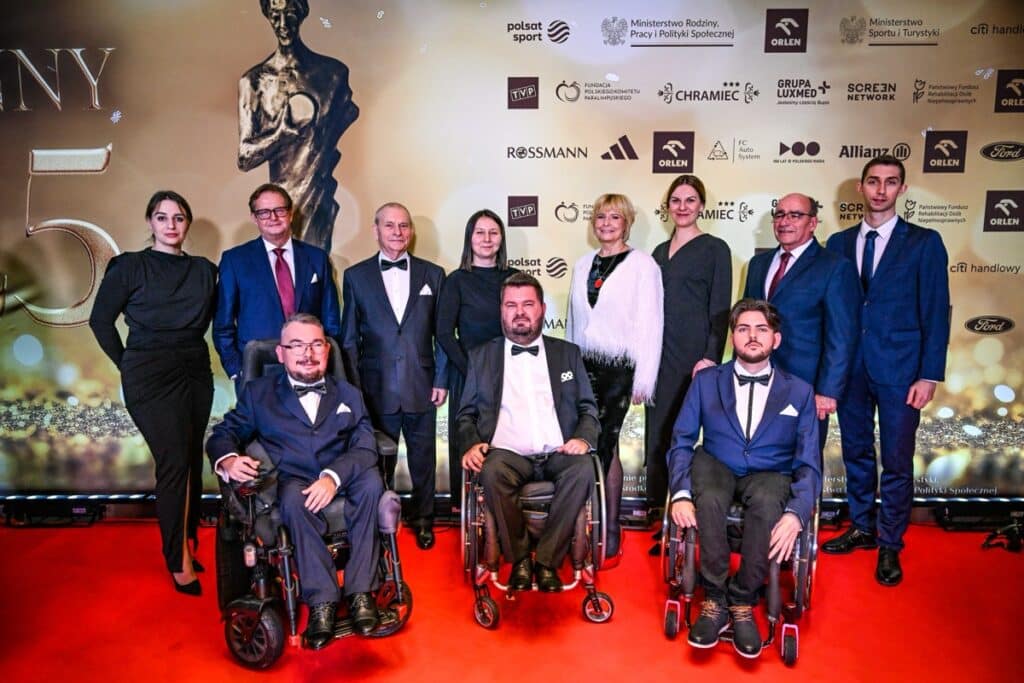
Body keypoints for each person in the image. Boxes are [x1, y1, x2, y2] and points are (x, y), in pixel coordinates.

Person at [206, 313, 383, 649]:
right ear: (281, 353)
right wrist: (228, 459)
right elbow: (223, 433)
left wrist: (332, 478)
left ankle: (361, 592)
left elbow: (365, 446)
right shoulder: (259, 394)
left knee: (372, 484)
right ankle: (322, 602)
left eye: (316, 344)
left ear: (327, 350)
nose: (308, 353)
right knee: (292, 499)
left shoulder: (349, 393)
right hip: (295, 477)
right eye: (297, 345)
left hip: (343, 473)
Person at [822, 155, 950, 586]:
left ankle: (891, 543)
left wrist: (929, 375)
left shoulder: (924, 242)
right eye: (873, 181)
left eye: (890, 182)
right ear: (860, 187)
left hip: (902, 371)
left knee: (896, 460)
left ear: (902, 189)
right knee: (856, 451)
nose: (881, 190)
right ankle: (862, 526)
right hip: (851, 371)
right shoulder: (838, 243)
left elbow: (936, 311)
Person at [667, 299, 820, 659]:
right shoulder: (706, 382)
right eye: (743, 329)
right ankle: (715, 597)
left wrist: (797, 513)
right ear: (733, 337)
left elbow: (810, 462)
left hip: (771, 472)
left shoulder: (799, 391)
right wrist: (681, 493)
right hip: (717, 463)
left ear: (775, 339)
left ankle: (742, 600)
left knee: (767, 503)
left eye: (761, 329)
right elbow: (682, 441)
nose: (752, 336)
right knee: (709, 495)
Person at [89, 190, 217, 596]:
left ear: (187, 223)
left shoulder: (204, 270)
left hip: (195, 369)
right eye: (162, 217)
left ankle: (188, 542)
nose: (171, 225)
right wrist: (126, 363)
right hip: (149, 372)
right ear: (150, 222)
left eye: (179, 217)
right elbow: (100, 321)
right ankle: (177, 560)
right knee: (174, 461)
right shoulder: (130, 266)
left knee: (191, 458)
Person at [458, 272, 600, 592]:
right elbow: (466, 414)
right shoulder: (481, 357)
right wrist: (471, 444)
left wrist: (582, 438)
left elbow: (588, 409)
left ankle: (547, 561)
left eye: (528, 304)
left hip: (558, 452)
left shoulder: (568, 353)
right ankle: (520, 559)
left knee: (583, 469)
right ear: (501, 311)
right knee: (491, 471)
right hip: (507, 454)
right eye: (511, 305)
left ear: (542, 309)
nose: (519, 312)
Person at [340, 202, 447, 550]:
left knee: (423, 459)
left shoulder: (434, 274)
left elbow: (443, 335)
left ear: (411, 231)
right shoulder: (356, 276)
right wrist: (354, 390)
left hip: (422, 384)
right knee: (377, 462)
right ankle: (380, 524)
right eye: (389, 225)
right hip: (375, 388)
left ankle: (424, 520)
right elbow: (349, 340)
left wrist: (441, 378)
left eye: (404, 226)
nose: (397, 232)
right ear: (376, 230)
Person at [566, 193, 663, 559]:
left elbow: (652, 324)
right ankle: (586, 522)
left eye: (615, 217)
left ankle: (608, 528)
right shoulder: (582, 264)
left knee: (606, 442)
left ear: (627, 223)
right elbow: (574, 320)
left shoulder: (643, 265)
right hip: (583, 366)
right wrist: (567, 369)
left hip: (620, 368)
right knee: (585, 441)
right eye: (601, 217)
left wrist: (644, 379)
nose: (606, 223)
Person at [647, 175, 732, 551]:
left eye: (690, 200)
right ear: (668, 206)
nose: (682, 207)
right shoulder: (657, 252)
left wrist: (710, 356)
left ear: (701, 206)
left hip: (694, 358)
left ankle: (692, 519)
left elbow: (720, 308)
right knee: (658, 434)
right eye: (676, 200)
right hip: (658, 357)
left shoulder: (715, 249)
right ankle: (663, 516)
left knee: (688, 438)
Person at [238, 0, 359, 252]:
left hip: (318, 194)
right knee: (282, 267)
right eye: (276, 15)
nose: (283, 24)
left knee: (317, 268)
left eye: (290, 14)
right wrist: (281, 133)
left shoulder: (333, 74)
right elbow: (245, 157)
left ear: (302, 14)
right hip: (280, 203)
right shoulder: (254, 81)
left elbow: (348, 113)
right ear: (267, 15)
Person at [743, 192, 860, 451]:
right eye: (780, 215)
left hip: (807, 388)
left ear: (813, 223)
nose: (785, 221)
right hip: (756, 383)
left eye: (795, 215)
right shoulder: (758, 264)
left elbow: (841, 335)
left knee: (803, 463)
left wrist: (827, 390)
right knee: (758, 461)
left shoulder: (834, 267)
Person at [213, 182, 341, 390]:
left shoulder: (316, 258)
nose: (273, 217)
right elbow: (223, 324)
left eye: (279, 210)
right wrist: (237, 369)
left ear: (290, 214)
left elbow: (331, 316)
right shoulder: (234, 260)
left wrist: (325, 360)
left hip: (310, 368)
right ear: (254, 218)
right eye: (264, 212)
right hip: (257, 371)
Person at [436, 209, 518, 510]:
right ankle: (466, 509)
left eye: (493, 232)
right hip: (467, 373)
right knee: (468, 441)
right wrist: (471, 370)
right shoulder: (456, 280)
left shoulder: (514, 279)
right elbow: (444, 333)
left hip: (509, 374)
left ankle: (503, 504)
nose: (486, 239)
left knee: (506, 437)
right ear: (469, 238)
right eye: (479, 232)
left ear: (501, 239)